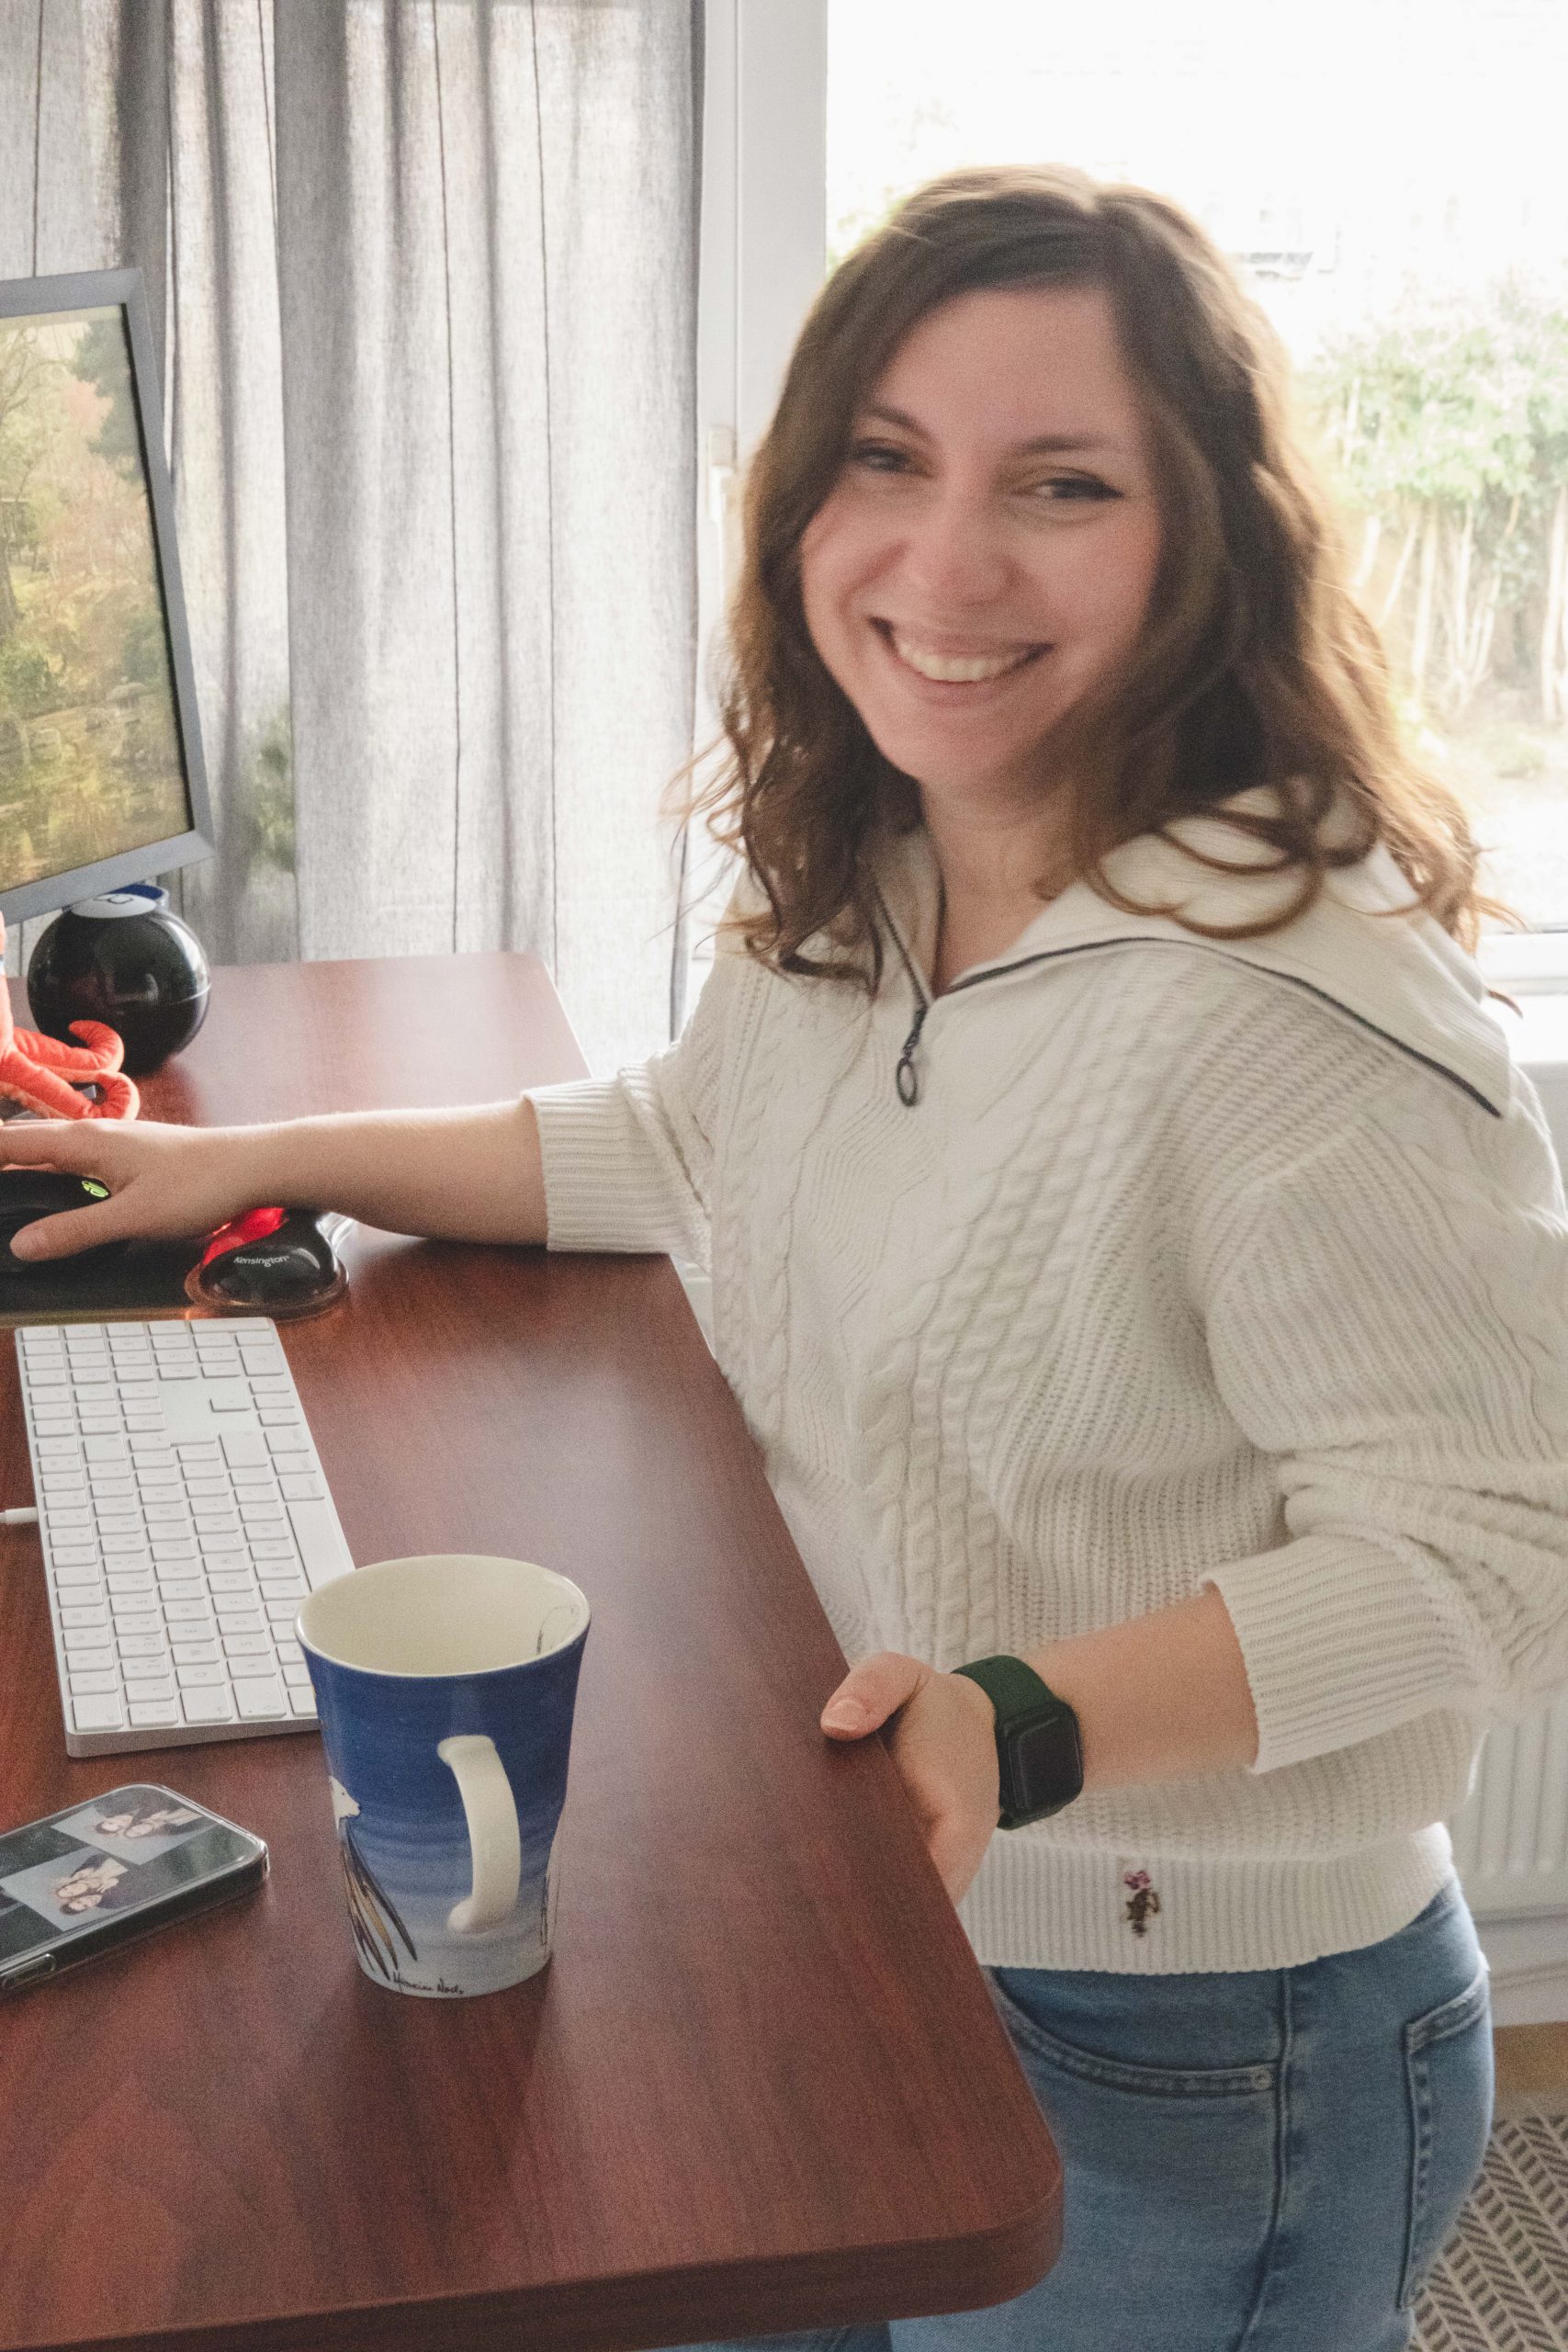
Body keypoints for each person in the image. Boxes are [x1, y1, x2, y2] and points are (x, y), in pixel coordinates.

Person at [6, 165, 1568, 2348]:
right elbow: (682, 1139)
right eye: (886, 461)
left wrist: (1018, 1723)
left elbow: (1502, 1542)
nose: (945, 561)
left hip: (1199, 2030)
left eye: (1059, 483)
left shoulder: (1289, 1007)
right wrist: (253, 1158)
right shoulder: (883, 865)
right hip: (860, 1898)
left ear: (1202, 535)